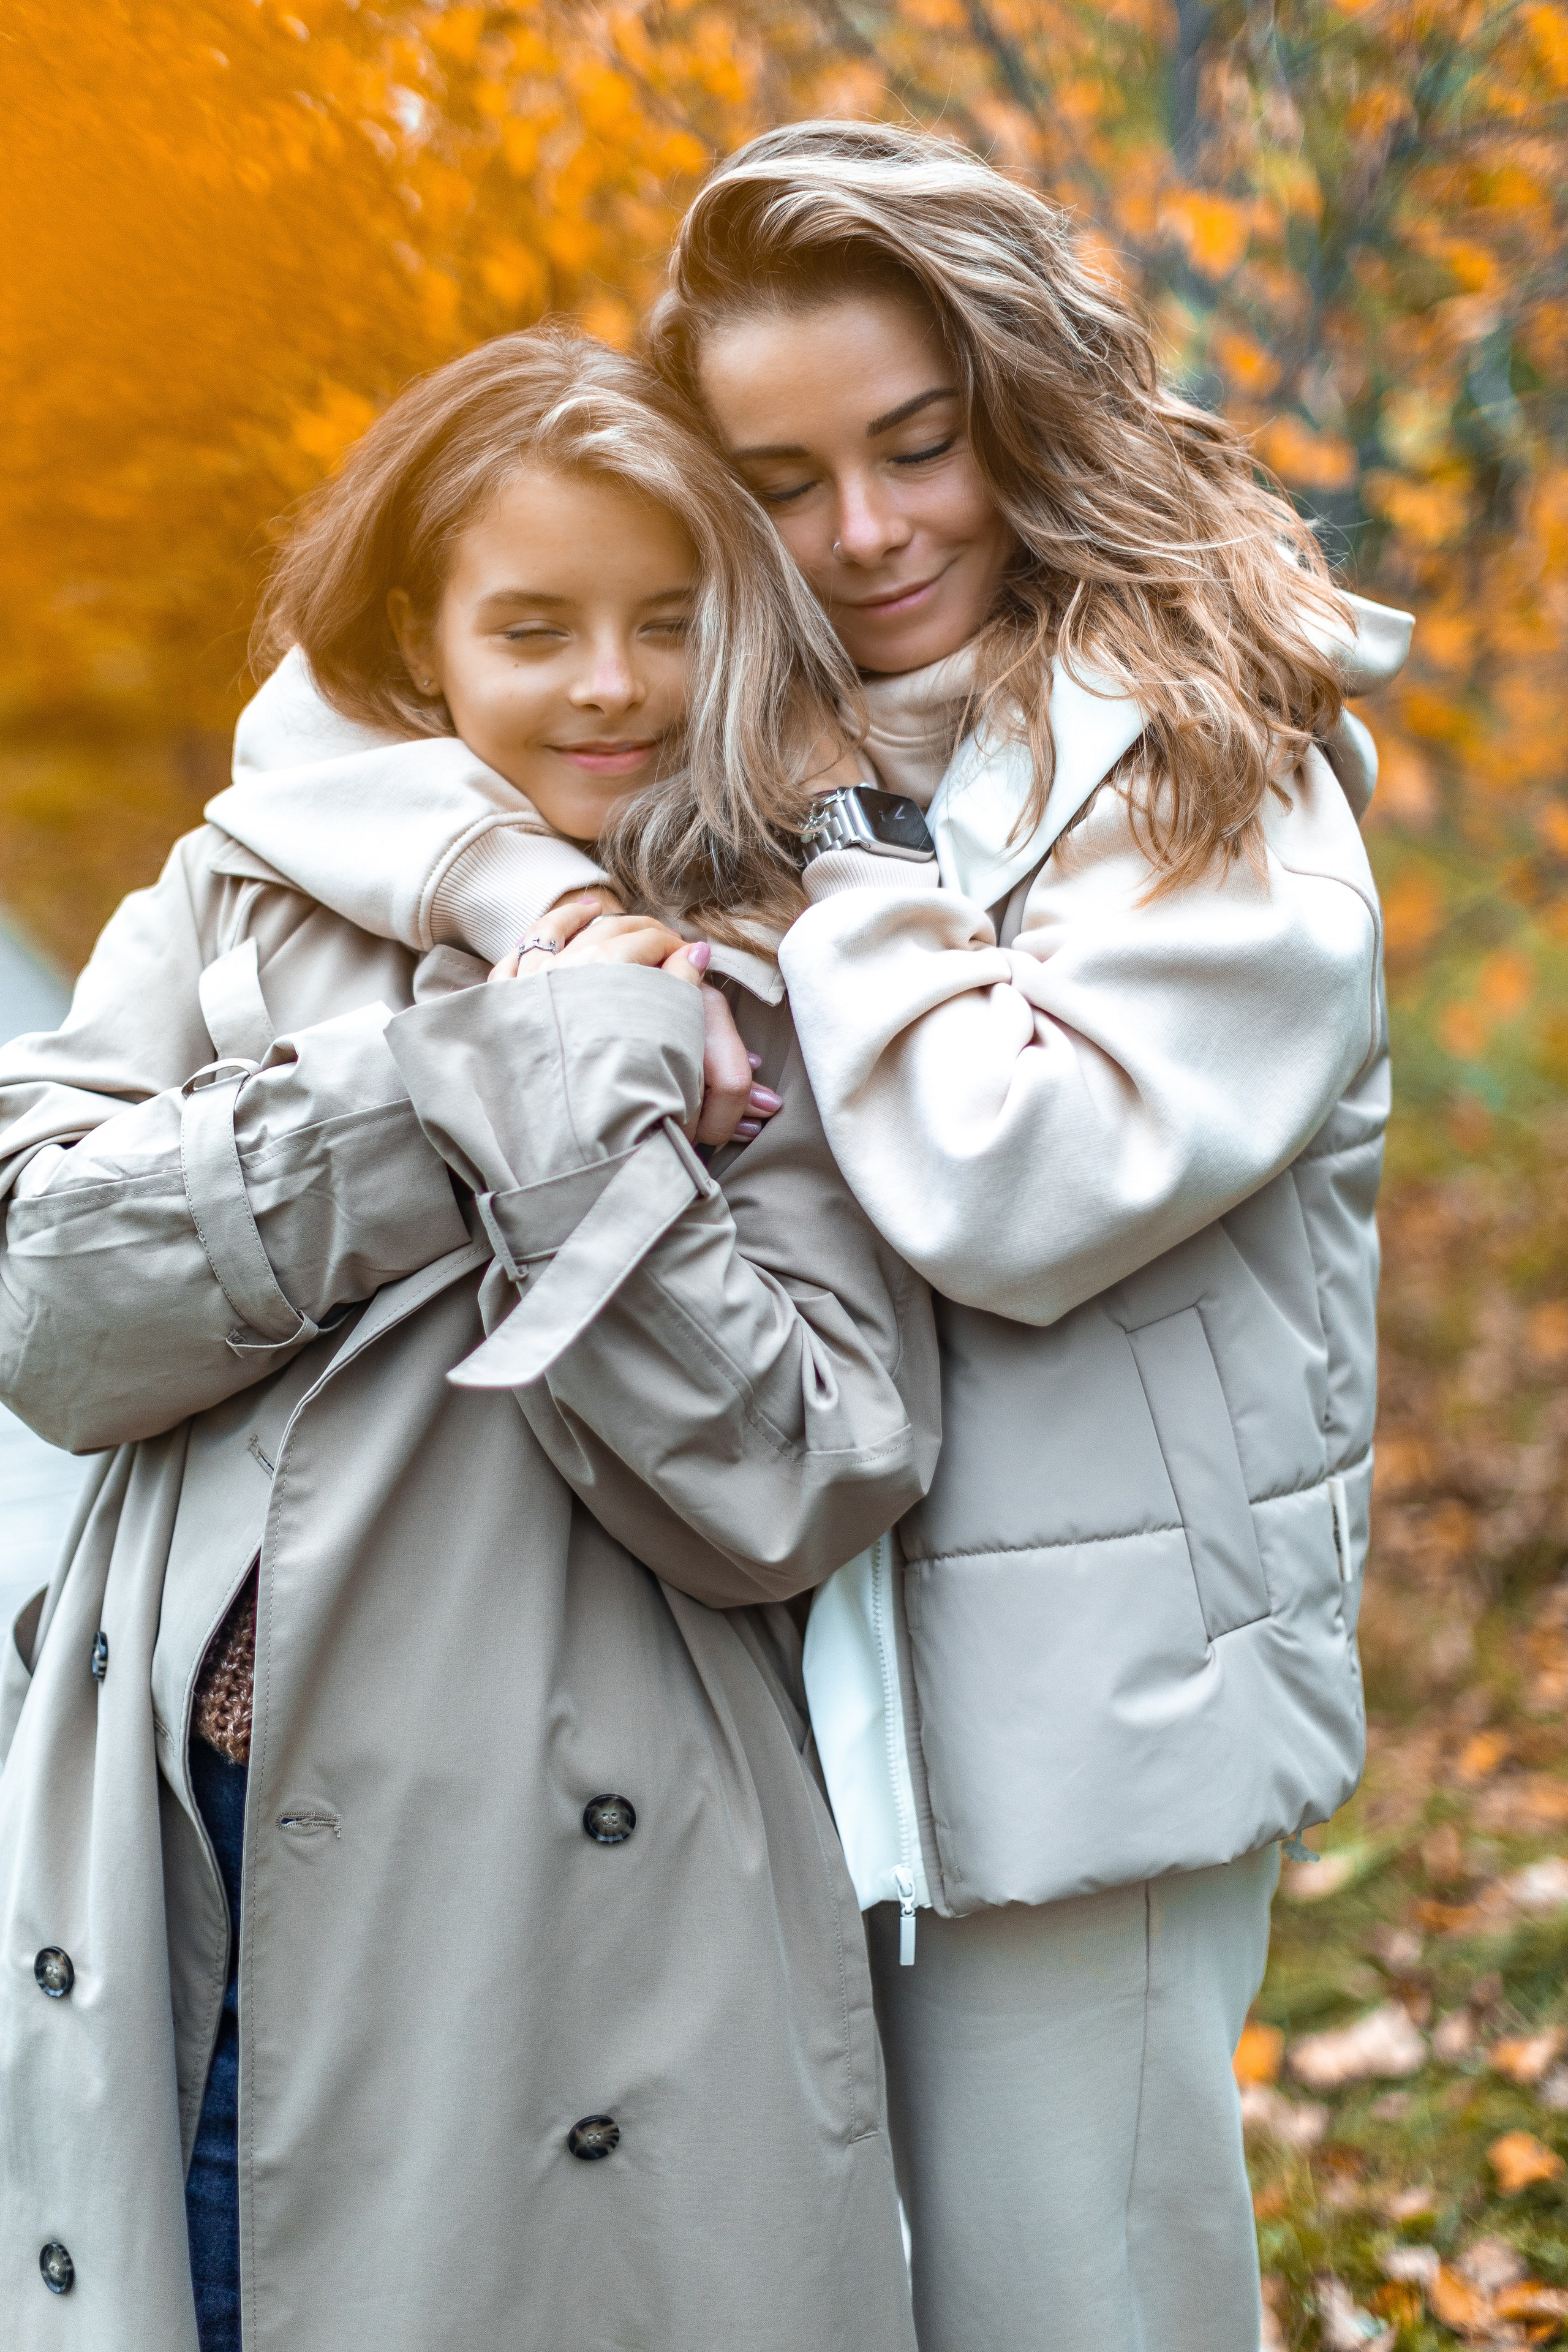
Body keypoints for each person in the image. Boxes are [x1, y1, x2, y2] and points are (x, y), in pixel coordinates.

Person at [0, 330, 937, 2351]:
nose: (607, 683)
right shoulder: (229, 900)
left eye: (666, 623)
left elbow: (803, 1475)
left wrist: (583, 1107)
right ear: (424, 650)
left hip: (569, 1912)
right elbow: (49, 1314)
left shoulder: (798, 960)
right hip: (193, 1864)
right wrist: (461, 1083)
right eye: (535, 624)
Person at [643, 122, 1415, 2352]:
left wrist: (841, 857)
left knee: (1077, 2308)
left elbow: (1019, 1182)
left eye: (918, 444)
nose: (865, 534)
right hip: (784, 1699)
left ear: (1022, 405)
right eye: (780, 481)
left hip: (1094, 1737)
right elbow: (353, 711)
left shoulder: (1212, 767)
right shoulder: (718, 731)